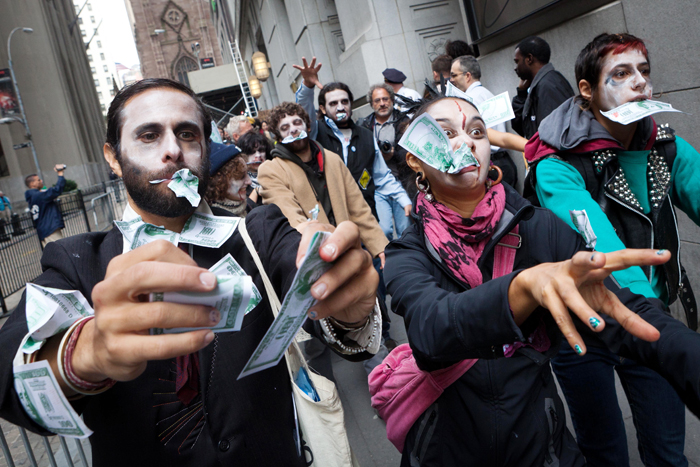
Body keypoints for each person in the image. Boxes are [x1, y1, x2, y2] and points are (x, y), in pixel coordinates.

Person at [0, 78, 381, 466]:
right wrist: (85, 352)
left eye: (186, 134)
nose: (172, 151)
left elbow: (321, 297)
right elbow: (7, 373)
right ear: (113, 158)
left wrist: (349, 302)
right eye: (148, 136)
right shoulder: (75, 260)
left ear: (204, 150)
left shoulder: (258, 232)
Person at [383, 94, 700, 466]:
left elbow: (619, 306)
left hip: (543, 447)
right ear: (415, 159)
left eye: (477, 131)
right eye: (446, 133)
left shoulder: (540, 228)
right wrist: (522, 288)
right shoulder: (407, 253)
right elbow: (430, 331)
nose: (466, 142)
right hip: (449, 449)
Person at [524, 33, 699, 466]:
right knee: (605, 452)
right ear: (587, 90)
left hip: (652, 314)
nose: (639, 82)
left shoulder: (665, 143)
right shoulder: (556, 163)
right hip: (584, 321)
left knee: (667, 451)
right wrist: (675, 343)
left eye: (644, 71)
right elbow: (604, 252)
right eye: (621, 73)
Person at [258, 101, 389, 379]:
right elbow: (287, 214)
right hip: (311, 260)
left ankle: (385, 384)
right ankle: (327, 396)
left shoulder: (331, 158)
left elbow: (358, 208)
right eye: (285, 127)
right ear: (278, 136)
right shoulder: (272, 169)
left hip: (348, 253)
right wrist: (315, 238)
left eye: (296, 123)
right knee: (318, 340)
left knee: (367, 313)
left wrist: (379, 246)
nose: (293, 129)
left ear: (306, 124)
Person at [294, 57, 409, 349]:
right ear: (323, 109)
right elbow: (303, 116)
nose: (340, 107)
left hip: (364, 222)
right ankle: (351, 336)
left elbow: (381, 177)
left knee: (374, 280)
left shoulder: (365, 135)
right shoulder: (316, 135)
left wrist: (403, 199)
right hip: (332, 227)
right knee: (344, 284)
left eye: (345, 101)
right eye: (333, 103)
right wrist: (307, 87)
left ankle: (381, 336)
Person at [451, 55, 518, 187]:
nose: (451, 80)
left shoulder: (470, 100)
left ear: (467, 76)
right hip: (504, 161)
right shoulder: (486, 93)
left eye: (454, 75)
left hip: (492, 165)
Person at [357, 83, 413, 239]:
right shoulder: (364, 125)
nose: (382, 103)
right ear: (371, 104)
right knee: (384, 230)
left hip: (402, 181)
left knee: (405, 229)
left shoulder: (404, 121)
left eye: (385, 99)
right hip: (377, 185)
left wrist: (393, 155)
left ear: (392, 100)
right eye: (377, 100)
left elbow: (412, 151)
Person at [511, 36, 575, 139]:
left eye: (517, 61)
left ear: (529, 59)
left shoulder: (548, 85)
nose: (515, 68)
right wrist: (521, 93)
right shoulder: (541, 84)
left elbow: (554, 135)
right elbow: (523, 128)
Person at [204, 142, 251, 217]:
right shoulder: (213, 217)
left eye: (247, 173)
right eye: (241, 177)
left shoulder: (248, 206)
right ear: (219, 182)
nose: (249, 181)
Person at [24, 165, 66, 246]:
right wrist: (60, 174)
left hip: (44, 230)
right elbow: (56, 190)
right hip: (50, 229)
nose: (41, 181)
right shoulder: (38, 195)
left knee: (53, 254)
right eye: (38, 180)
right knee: (60, 252)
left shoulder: (32, 196)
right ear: (32, 183)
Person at [236, 131, 272, 206]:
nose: (258, 155)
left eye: (261, 151)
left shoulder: (276, 172)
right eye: (252, 152)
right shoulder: (239, 182)